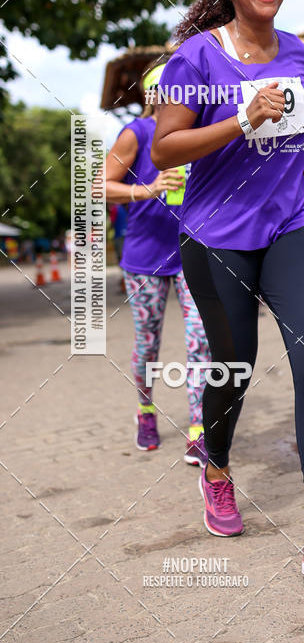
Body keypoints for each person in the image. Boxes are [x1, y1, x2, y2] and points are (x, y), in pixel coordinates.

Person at [151, 0, 304, 583]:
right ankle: (216, 464)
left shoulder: (300, 53)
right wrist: (240, 120)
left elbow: (293, 133)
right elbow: (165, 150)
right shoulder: (195, 58)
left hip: (290, 225)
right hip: (216, 236)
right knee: (235, 365)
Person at [105, 65, 211, 465]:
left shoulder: (196, 133)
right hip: (145, 257)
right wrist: (146, 189)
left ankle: (200, 428)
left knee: (201, 339)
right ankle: (146, 412)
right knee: (148, 343)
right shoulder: (137, 132)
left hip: (192, 251)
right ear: (154, 96)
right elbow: (102, 184)